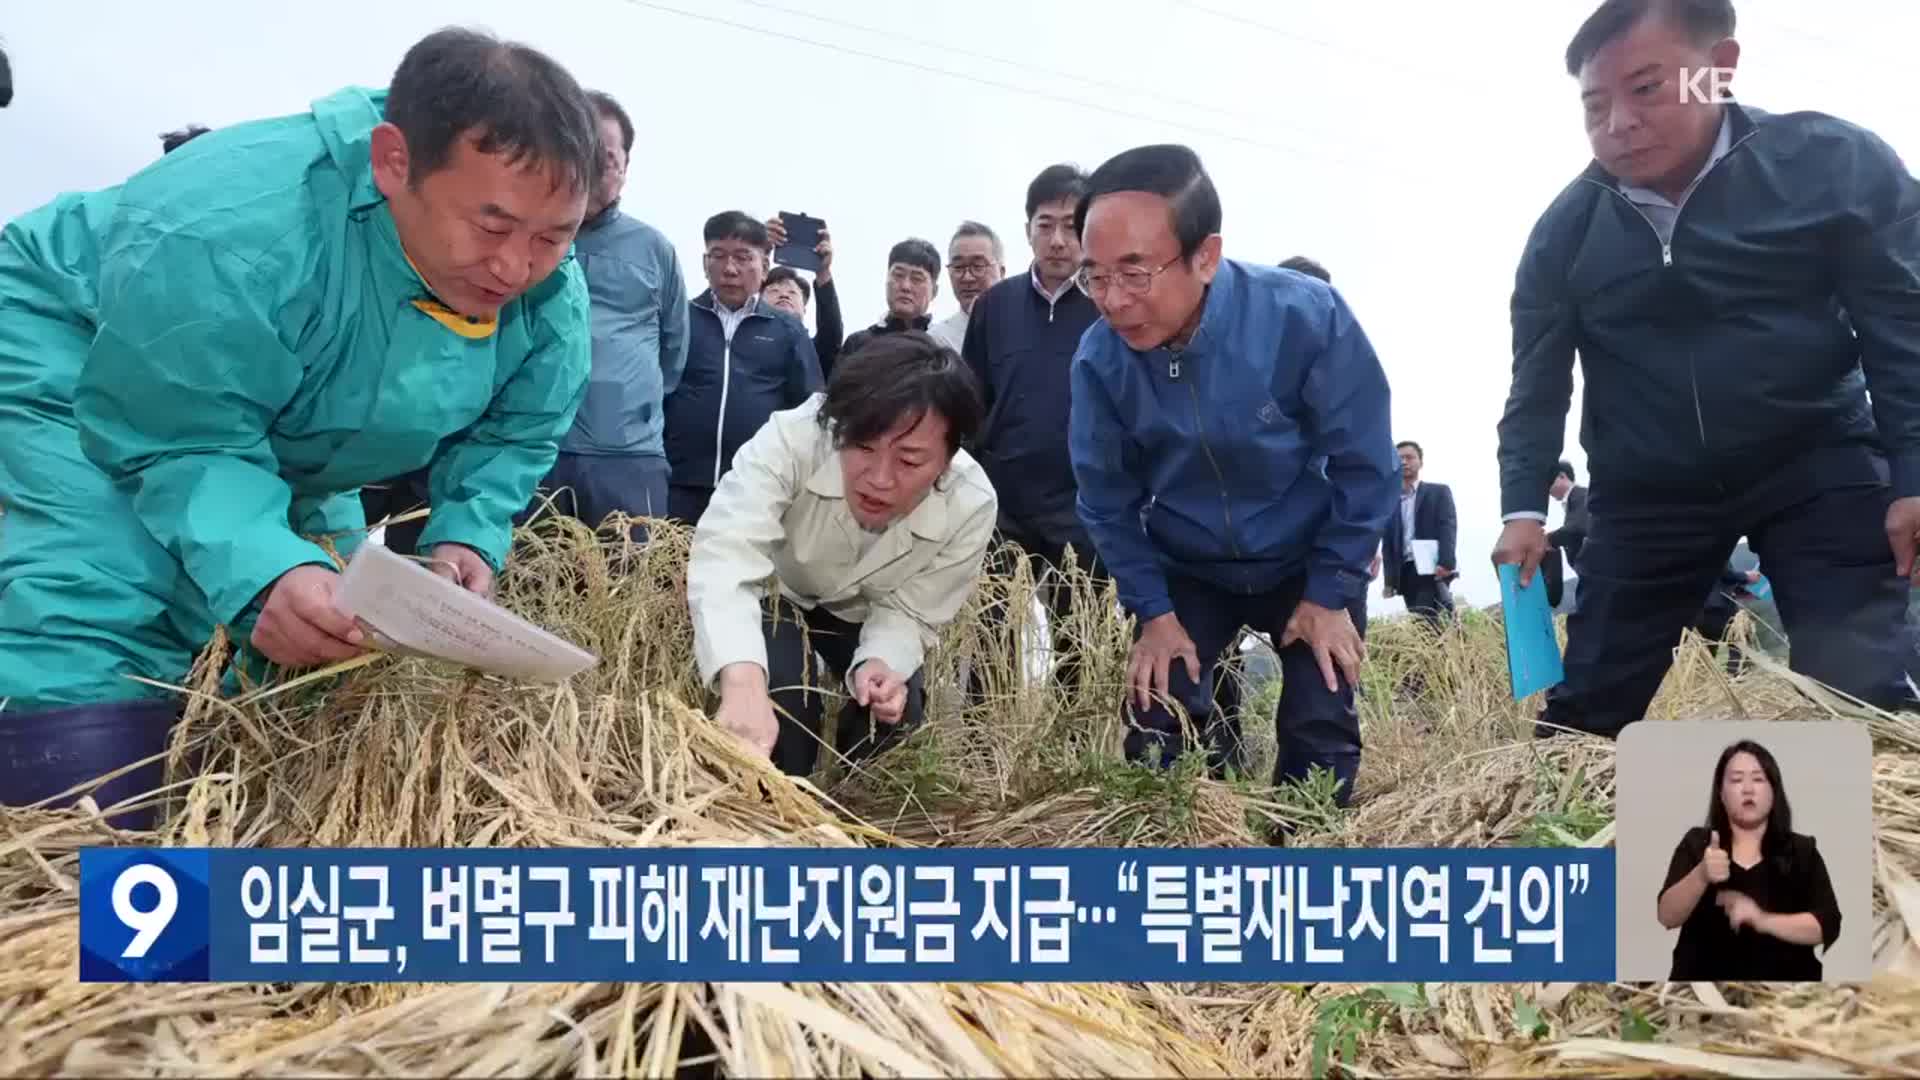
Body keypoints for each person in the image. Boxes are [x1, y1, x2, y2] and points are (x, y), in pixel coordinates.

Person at [0, 27, 599, 823]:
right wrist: (263, 568)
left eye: (553, 237)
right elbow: (180, 430)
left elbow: (517, 428)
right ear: (394, 162)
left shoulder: (552, 300)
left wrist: (467, 533)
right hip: (94, 349)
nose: (516, 268)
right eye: (491, 228)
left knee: (331, 623)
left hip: (291, 427)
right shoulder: (234, 227)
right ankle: (76, 847)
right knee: (112, 576)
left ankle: (241, 824)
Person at [1493, 0, 1919, 738]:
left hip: (1815, 459)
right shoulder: (1565, 233)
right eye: (1595, 105)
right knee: (1584, 712)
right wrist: (1522, 508)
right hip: (1648, 489)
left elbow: (1901, 325)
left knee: (1865, 695)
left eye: (1646, 89)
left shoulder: (1832, 166)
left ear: (1719, 70)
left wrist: (1913, 472)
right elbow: (1536, 383)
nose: (1617, 123)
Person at [1068, 144, 1397, 799]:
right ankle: (1176, 859)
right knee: (1158, 724)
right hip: (1188, 568)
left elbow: (1367, 466)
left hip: (1305, 556)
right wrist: (1154, 613)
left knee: (1320, 718)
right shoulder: (1099, 360)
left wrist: (1331, 590)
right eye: (1094, 276)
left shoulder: (1306, 317)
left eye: (1134, 273)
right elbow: (1105, 502)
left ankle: (1302, 860)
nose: (1111, 300)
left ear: (1205, 256)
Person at [687, 333, 995, 776]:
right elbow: (726, 551)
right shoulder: (792, 438)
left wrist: (882, 660)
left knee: (891, 716)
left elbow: (913, 611)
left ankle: (854, 824)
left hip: (865, 613)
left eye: (909, 462)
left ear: (947, 460)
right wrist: (742, 678)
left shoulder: (971, 503)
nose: (880, 479)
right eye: (863, 448)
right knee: (783, 700)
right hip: (779, 593)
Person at [961, 163, 1104, 698]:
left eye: (1071, 225)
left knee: (1080, 642)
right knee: (992, 636)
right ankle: (984, 755)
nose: (1058, 239)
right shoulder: (995, 307)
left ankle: (1071, 761)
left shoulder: (1105, 304)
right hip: (1004, 502)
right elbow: (972, 401)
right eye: (1046, 225)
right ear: (1027, 231)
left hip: (1083, 503)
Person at [521, 90, 689, 536]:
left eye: (608, 156)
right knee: (527, 587)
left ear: (626, 167)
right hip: (534, 448)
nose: (595, 167)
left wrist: (630, 406)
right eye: (582, 149)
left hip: (628, 459)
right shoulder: (523, 235)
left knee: (623, 596)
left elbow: (674, 352)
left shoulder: (655, 250)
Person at [663, 212, 822, 524]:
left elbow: (808, 407)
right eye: (718, 256)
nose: (730, 269)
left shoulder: (787, 329)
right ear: (704, 263)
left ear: (764, 267)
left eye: (743, 257)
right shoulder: (680, 318)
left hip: (754, 487)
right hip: (678, 484)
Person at [1656, 740, 1842, 981]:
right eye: (1736, 780)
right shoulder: (1697, 843)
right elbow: (1667, 916)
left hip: (1785, 1001)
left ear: (1774, 791)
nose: (1747, 789)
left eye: (1758, 779)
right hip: (1704, 997)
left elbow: (1826, 924)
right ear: (1721, 794)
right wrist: (1701, 874)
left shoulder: (1802, 851)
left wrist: (1761, 919)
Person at [1380, 441, 1458, 626]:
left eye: (1410, 457)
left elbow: (1447, 526)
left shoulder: (1438, 492)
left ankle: (1442, 651)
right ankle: (1441, 652)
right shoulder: (1390, 503)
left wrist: (1446, 561)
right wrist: (1389, 581)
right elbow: (1388, 543)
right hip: (1404, 571)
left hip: (1431, 567)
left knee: (1427, 618)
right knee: (1419, 617)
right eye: (1400, 458)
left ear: (1420, 462)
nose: (1404, 462)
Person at [762, 216, 844, 375]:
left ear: (804, 308)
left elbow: (831, 333)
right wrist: (760, 249)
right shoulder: (742, 341)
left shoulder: (814, 353)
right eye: (774, 291)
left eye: (792, 292)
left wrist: (823, 271)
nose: (784, 295)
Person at [840, 239, 941, 359]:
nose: (905, 286)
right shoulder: (858, 344)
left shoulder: (942, 344)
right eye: (898, 275)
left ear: (934, 291)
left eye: (917, 279)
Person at [931, 221, 1006, 352]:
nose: (967, 278)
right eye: (958, 267)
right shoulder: (937, 341)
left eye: (978, 266)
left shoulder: (1026, 327)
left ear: (1001, 272)